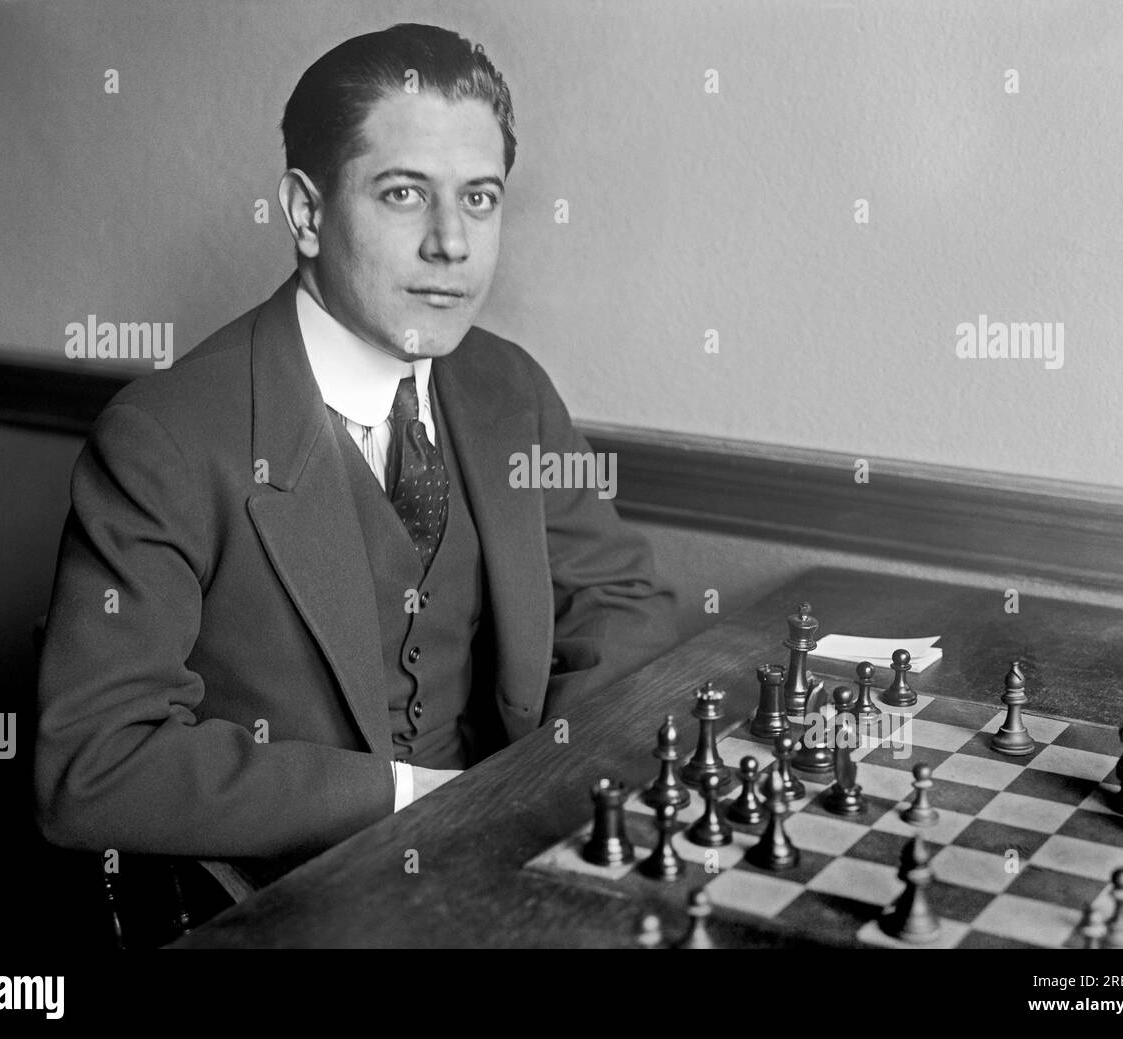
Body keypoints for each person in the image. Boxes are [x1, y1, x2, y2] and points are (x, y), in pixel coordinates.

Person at [33, 23, 679, 900]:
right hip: (297, 902)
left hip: (508, 871)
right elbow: (93, 766)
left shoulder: (509, 388)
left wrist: (548, 784)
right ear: (306, 212)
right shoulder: (165, 438)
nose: (452, 242)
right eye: (406, 194)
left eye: (480, 198)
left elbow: (621, 600)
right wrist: (417, 798)